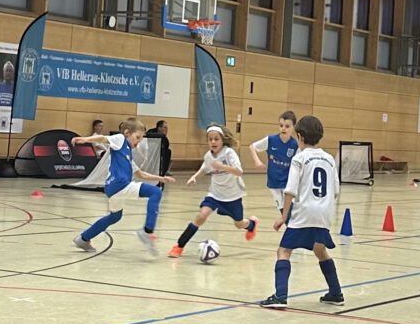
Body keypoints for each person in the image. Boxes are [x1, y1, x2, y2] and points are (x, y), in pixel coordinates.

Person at [259, 115, 344, 308]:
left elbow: (290, 190)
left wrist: (283, 217)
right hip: (324, 213)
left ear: (299, 136)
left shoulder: (299, 158)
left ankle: (280, 296)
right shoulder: (330, 159)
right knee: (320, 249)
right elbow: (336, 191)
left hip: (304, 212)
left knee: (283, 251)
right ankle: (336, 292)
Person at [71, 119, 175, 255]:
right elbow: (103, 139)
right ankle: (147, 231)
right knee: (156, 192)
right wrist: (85, 139)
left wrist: (161, 178)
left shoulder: (127, 154)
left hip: (113, 189)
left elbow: (140, 174)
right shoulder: (120, 139)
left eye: (141, 139)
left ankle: (83, 238)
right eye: (137, 137)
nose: (138, 142)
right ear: (127, 133)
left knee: (115, 216)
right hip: (119, 185)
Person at [168, 125, 257, 258]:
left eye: (216, 139)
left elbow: (239, 172)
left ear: (223, 140)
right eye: (210, 139)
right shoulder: (208, 156)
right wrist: (194, 177)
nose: (213, 142)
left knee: (239, 224)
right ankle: (179, 246)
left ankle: (251, 224)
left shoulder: (229, 153)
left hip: (232, 196)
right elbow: (204, 168)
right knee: (201, 216)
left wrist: (222, 166)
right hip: (215, 194)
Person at [249, 111, 299, 212]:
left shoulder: (295, 145)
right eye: (281, 125)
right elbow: (252, 147)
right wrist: (257, 161)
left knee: (290, 209)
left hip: (287, 182)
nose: (283, 128)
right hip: (273, 181)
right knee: (282, 208)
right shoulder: (271, 140)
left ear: (293, 127)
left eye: (287, 126)